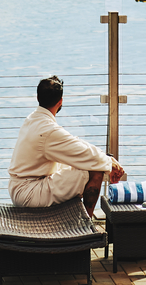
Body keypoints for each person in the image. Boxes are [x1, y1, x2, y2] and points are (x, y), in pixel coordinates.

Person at [8, 75, 126, 212]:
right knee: (95, 170)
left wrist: (106, 159)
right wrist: (107, 162)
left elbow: (75, 146)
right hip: (29, 193)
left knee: (87, 162)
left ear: (38, 98)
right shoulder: (48, 130)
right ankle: (87, 224)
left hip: (20, 188)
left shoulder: (32, 119)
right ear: (60, 101)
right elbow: (80, 150)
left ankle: (79, 219)